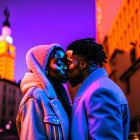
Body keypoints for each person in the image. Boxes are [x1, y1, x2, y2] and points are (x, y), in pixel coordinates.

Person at [66, 38, 129, 140]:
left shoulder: (100, 92)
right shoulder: (95, 89)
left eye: (68, 63)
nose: (65, 68)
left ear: (83, 64)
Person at [16, 44, 71, 140]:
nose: (66, 68)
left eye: (66, 63)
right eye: (59, 63)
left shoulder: (59, 97)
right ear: (44, 67)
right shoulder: (35, 97)